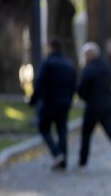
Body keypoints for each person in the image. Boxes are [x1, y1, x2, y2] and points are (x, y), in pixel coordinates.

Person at [76, 42, 111, 170]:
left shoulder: (89, 69)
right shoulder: (106, 66)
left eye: (85, 54)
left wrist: (85, 97)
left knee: (86, 135)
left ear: (89, 55)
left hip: (93, 107)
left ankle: (82, 162)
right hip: (107, 105)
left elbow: (81, 88)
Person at [30, 39, 77, 170]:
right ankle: (63, 159)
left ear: (51, 48)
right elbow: (74, 84)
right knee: (62, 130)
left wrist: (33, 100)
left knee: (44, 128)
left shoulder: (47, 63)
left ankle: (57, 154)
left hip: (49, 102)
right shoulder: (69, 63)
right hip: (65, 103)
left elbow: (39, 83)